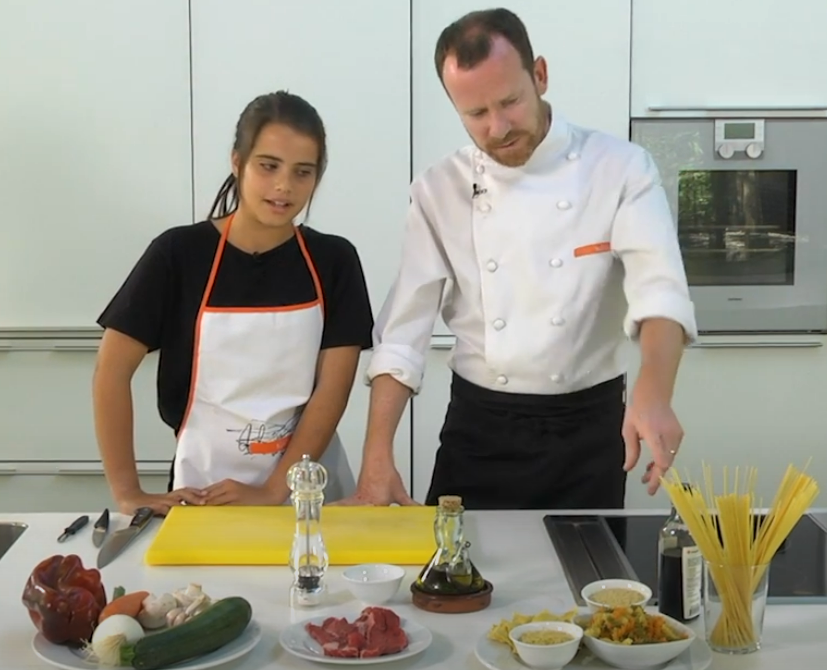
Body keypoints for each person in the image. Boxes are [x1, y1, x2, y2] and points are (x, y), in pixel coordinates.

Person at [345, 8, 697, 510]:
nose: (498, 127)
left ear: (540, 75)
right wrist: (376, 457)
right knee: (457, 561)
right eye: (476, 114)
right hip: (479, 430)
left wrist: (655, 391)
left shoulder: (619, 169)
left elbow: (659, 290)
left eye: (510, 102)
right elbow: (402, 335)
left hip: (590, 431)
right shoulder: (439, 190)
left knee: (582, 564)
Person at [93, 90, 374, 515]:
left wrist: (273, 490)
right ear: (237, 161)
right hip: (202, 493)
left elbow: (332, 391)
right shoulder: (178, 255)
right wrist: (128, 492)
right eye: (268, 166)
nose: (284, 186)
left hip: (308, 492)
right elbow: (111, 371)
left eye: (303, 172)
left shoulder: (334, 261)